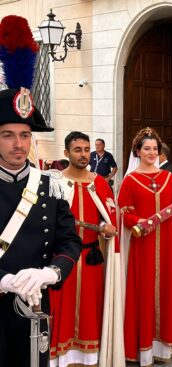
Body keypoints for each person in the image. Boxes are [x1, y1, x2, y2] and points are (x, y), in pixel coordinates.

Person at [0, 15, 81, 366]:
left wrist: (51, 273)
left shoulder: (49, 185)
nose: (19, 144)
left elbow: (69, 240)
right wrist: (4, 281)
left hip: (35, 308)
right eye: (8, 135)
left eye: (25, 135)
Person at [118, 127, 172, 365]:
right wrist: (138, 221)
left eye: (155, 149)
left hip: (168, 244)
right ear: (137, 151)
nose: (151, 153)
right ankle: (144, 347)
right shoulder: (129, 180)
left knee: (166, 289)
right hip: (143, 245)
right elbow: (124, 214)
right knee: (144, 291)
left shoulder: (168, 178)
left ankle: (163, 345)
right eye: (147, 148)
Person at [49, 132, 120, 367]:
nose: (83, 154)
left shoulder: (99, 183)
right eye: (78, 150)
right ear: (66, 153)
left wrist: (106, 227)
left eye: (87, 149)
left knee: (90, 309)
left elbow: (107, 217)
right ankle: (60, 358)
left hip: (91, 257)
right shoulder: (55, 182)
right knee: (61, 309)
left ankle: (88, 358)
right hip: (61, 260)